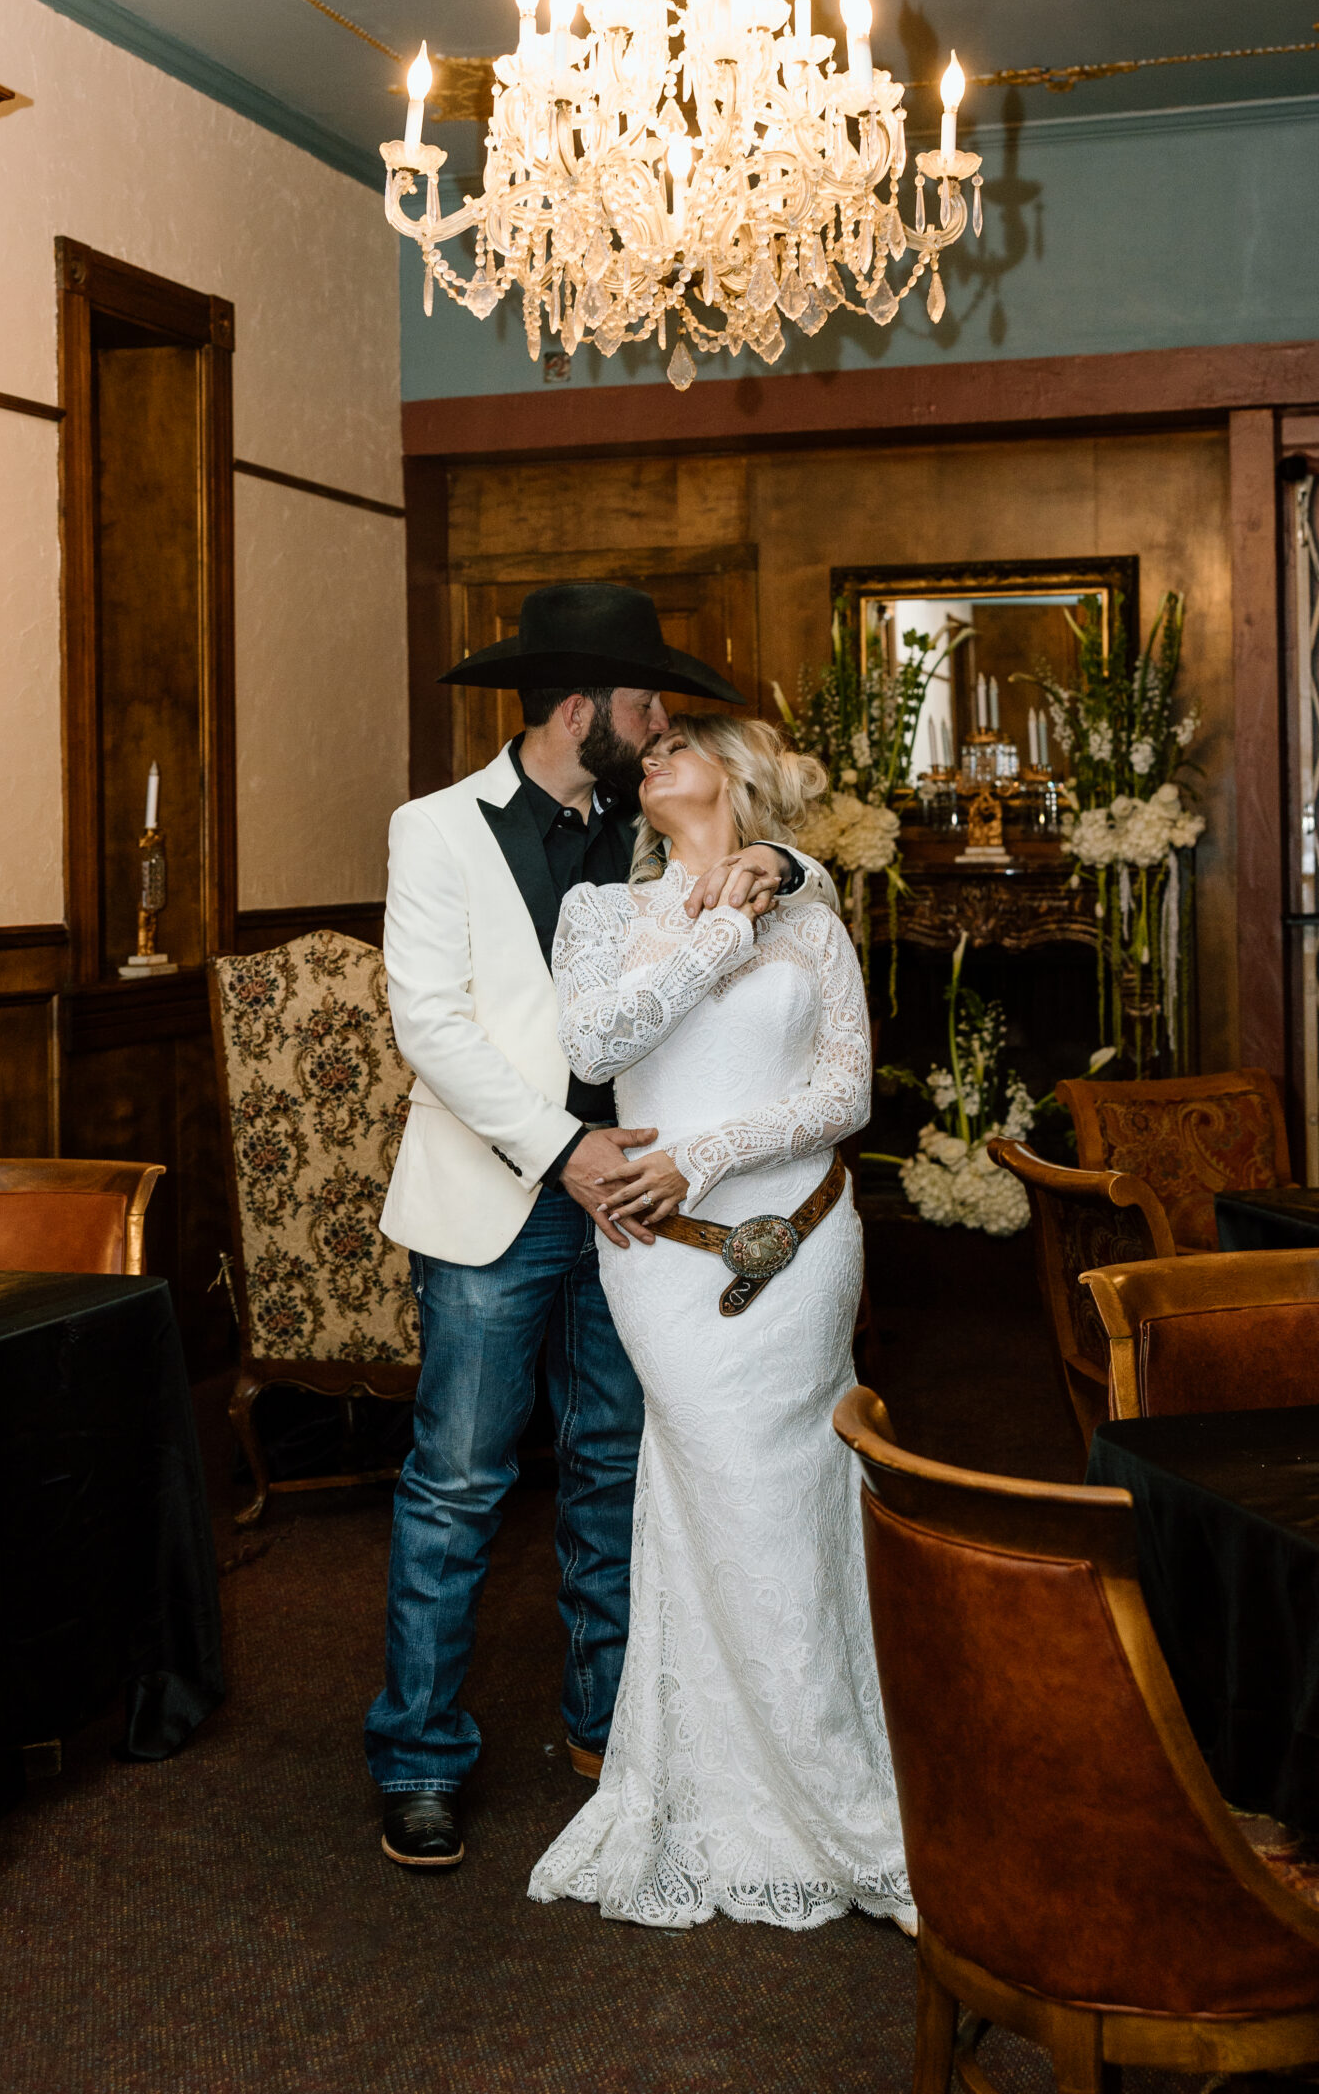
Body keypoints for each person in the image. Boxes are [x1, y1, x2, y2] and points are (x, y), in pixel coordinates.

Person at [367, 583, 836, 1872]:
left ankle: (608, 1733)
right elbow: (432, 1025)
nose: (661, 722)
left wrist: (785, 862)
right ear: (582, 709)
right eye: (645, 702)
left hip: (646, 1207)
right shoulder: (435, 828)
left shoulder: (648, 814)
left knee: (616, 1465)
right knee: (460, 1480)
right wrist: (559, 1148)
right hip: (504, 1195)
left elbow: (780, 856)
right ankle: (418, 1757)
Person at [527, 713, 913, 1933]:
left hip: (803, 1239)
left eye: (681, 747)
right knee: (723, 1484)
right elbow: (598, 1044)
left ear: (738, 781)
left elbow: (845, 1090)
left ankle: (834, 1773)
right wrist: (717, 932)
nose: (652, 757)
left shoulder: (813, 913)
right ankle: (763, 1788)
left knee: (797, 1492)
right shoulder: (601, 913)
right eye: (650, 751)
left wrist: (706, 1152)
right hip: (665, 1261)